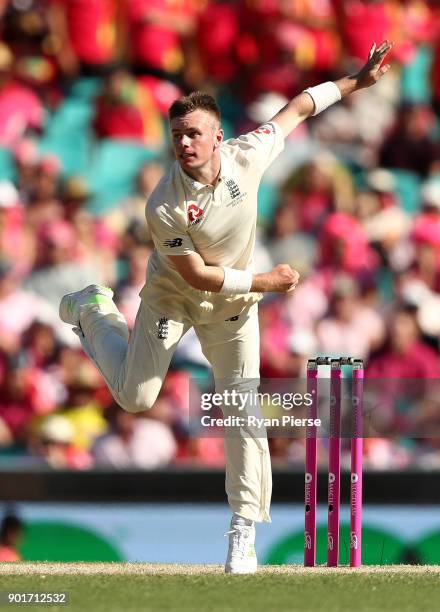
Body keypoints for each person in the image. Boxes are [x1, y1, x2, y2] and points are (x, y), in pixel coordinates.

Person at [59, 40, 392, 573]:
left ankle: (243, 529)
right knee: (137, 398)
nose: (184, 144)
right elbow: (195, 274)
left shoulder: (247, 154)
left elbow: (298, 109)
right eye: (176, 136)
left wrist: (355, 83)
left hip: (233, 313)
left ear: (218, 136)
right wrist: (267, 281)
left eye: (193, 134)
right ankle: (95, 309)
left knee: (241, 405)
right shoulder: (163, 203)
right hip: (174, 298)